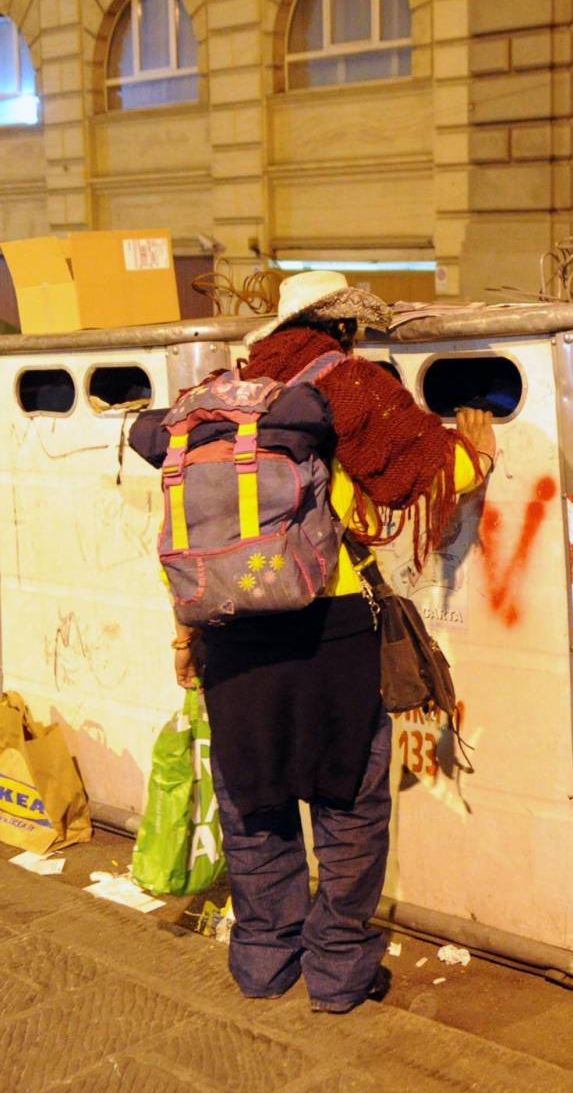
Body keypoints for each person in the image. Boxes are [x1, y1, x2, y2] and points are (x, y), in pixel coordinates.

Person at [169, 270, 495, 1013]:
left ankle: (261, 963)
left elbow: (190, 532)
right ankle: (338, 975)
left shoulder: (224, 396)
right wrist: (477, 457)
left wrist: (185, 639)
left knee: (255, 805)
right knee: (348, 810)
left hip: (231, 640)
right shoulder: (348, 386)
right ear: (342, 328)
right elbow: (420, 474)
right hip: (330, 630)